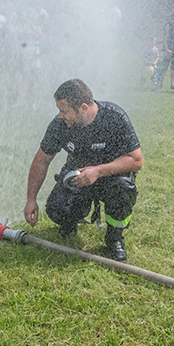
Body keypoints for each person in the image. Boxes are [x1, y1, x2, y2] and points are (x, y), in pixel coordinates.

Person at [24, 79, 143, 261]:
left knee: (123, 190)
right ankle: (70, 222)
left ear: (84, 108)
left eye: (64, 111)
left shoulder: (114, 117)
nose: (59, 116)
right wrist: (31, 199)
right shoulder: (59, 125)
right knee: (57, 209)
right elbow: (41, 161)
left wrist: (97, 171)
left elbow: (136, 160)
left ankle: (114, 238)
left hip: (111, 177)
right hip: (78, 177)